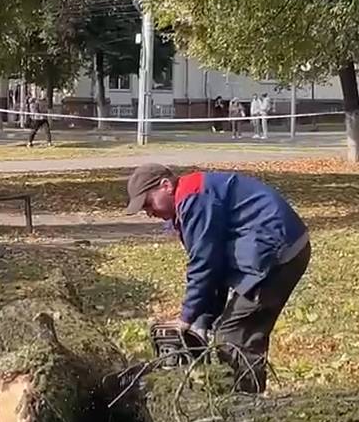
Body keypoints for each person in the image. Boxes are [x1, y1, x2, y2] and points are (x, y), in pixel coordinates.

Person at [123, 163, 311, 392]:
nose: (149, 213)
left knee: (235, 335)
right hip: (273, 248)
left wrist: (186, 318)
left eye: (148, 203)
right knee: (234, 331)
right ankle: (239, 397)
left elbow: (205, 264)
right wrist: (201, 322)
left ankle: (244, 408)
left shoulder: (195, 199)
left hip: (277, 253)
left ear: (166, 186)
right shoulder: (191, 199)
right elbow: (215, 267)